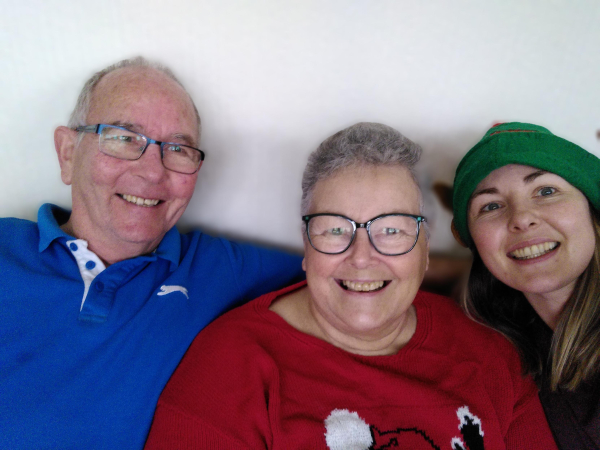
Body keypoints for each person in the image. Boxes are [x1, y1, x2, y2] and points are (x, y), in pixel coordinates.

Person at [145, 122, 557, 450]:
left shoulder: (489, 355)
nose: (362, 256)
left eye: (392, 229)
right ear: (307, 246)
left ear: (425, 251)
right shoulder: (228, 368)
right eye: (334, 229)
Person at [0, 57, 303, 450]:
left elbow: (352, 276)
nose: (152, 172)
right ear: (68, 153)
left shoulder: (221, 270)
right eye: (125, 138)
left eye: (178, 148)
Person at [451, 122, 600, 449]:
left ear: (592, 210)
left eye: (546, 191)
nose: (521, 218)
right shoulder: (495, 354)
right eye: (490, 206)